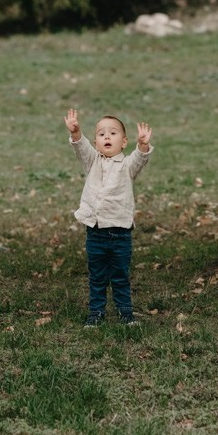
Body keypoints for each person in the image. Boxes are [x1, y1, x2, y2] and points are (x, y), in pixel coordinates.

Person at [64, 107, 152, 327]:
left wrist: (142, 145)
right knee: (97, 276)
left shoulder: (127, 166)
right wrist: (76, 133)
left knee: (120, 276)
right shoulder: (92, 161)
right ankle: (96, 314)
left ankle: (126, 314)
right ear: (96, 143)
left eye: (113, 133)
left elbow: (139, 159)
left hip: (121, 233)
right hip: (95, 232)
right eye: (102, 134)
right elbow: (81, 149)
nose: (107, 137)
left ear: (123, 142)